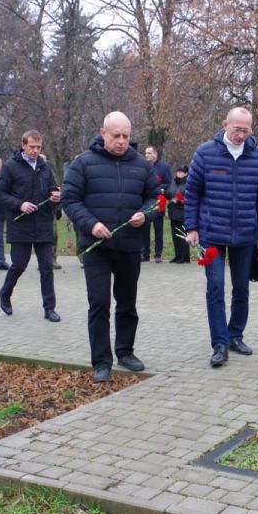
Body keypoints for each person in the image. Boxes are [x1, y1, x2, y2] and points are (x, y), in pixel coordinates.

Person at [61, 112, 159, 382]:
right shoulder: (83, 163)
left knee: (127, 303)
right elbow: (69, 199)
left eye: (126, 136)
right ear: (103, 133)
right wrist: (91, 224)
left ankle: (125, 352)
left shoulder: (141, 165)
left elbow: (156, 198)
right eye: (116, 136)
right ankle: (101, 361)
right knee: (99, 303)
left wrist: (145, 214)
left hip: (129, 246)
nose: (121, 141)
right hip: (97, 248)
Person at [184, 107, 258, 367]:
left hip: (245, 235)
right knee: (215, 287)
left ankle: (235, 335)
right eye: (237, 129)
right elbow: (192, 193)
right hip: (211, 234)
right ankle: (219, 344)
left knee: (241, 288)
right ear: (225, 125)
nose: (241, 135)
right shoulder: (205, 153)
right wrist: (191, 228)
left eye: (246, 130)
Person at [0, 130, 62, 322]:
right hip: (20, 225)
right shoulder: (11, 167)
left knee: (46, 268)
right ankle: (5, 293)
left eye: (38, 147)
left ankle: (49, 308)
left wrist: (56, 197)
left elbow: (52, 191)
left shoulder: (45, 167)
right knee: (19, 265)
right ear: (23, 145)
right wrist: (20, 204)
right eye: (31, 146)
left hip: (43, 225)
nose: (35, 150)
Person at [141, 146, 171, 263]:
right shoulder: (143, 166)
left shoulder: (164, 167)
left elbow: (168, 183)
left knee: (158, 229)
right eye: (145, 153)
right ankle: (145, 253)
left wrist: (158, 188)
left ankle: (158, 254)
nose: (146, 155)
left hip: (159, 202)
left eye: (149, 153)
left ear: (155, 154)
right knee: (145, 230)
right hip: (145, 202)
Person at [166, 165, 189, 263]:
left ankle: (185, 257)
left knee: (182, 235)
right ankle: (178, 255)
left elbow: (191, 196)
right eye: (178, 171)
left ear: (186, 173)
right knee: (175, 235)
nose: (178, 173)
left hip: (182, 212)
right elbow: (169, 193)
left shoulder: (189, 183)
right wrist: (165, 194)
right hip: (173, 211)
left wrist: (180, 200)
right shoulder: (173, 182)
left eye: (181, 172)